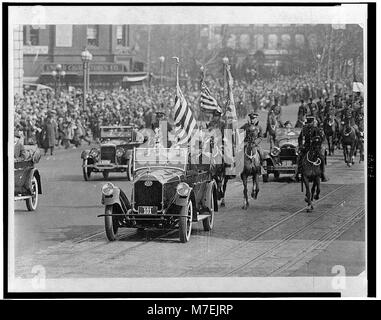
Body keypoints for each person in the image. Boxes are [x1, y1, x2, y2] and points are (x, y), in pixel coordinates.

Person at [294, 116, 328, 182]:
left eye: (310, 123)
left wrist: (318, 143)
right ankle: (296, 174)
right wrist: (301, 145)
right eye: (308, 123)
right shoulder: (304, 129)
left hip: (315, 147)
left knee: (321, 158)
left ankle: (323, 174)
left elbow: (322, 138)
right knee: (299, 158)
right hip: (306, 147)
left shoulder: (316, 129)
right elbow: (300, 138)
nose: (309, 124)